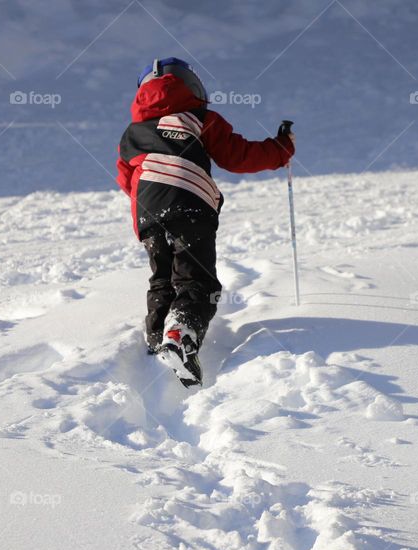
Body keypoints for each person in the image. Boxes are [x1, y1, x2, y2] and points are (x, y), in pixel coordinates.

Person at [116, 57, 295, 386]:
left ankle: (157, 343)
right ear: (192, 86)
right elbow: (237, 156)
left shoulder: (133, 132)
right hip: (189, 206)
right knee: (198, 281)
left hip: (148, 213)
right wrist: (280, 149)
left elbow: (126, 178)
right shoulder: (200, 118)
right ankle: (180, 334)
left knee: (162, 279)